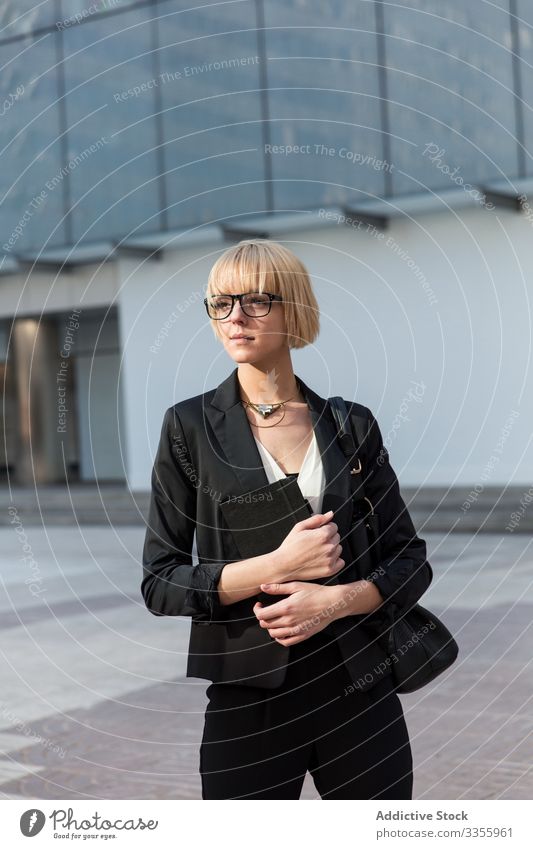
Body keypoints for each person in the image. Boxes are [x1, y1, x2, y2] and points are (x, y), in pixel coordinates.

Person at [141, 239, 432, 799]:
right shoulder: (189, 428)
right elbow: (160, 582)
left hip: (358, 684)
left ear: (293, 307)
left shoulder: (350, 426)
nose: (235, 319)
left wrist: (337, 601)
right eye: (220, 304)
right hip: (248, 695)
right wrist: (276, 565)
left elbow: (410, 560)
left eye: (254, 301)